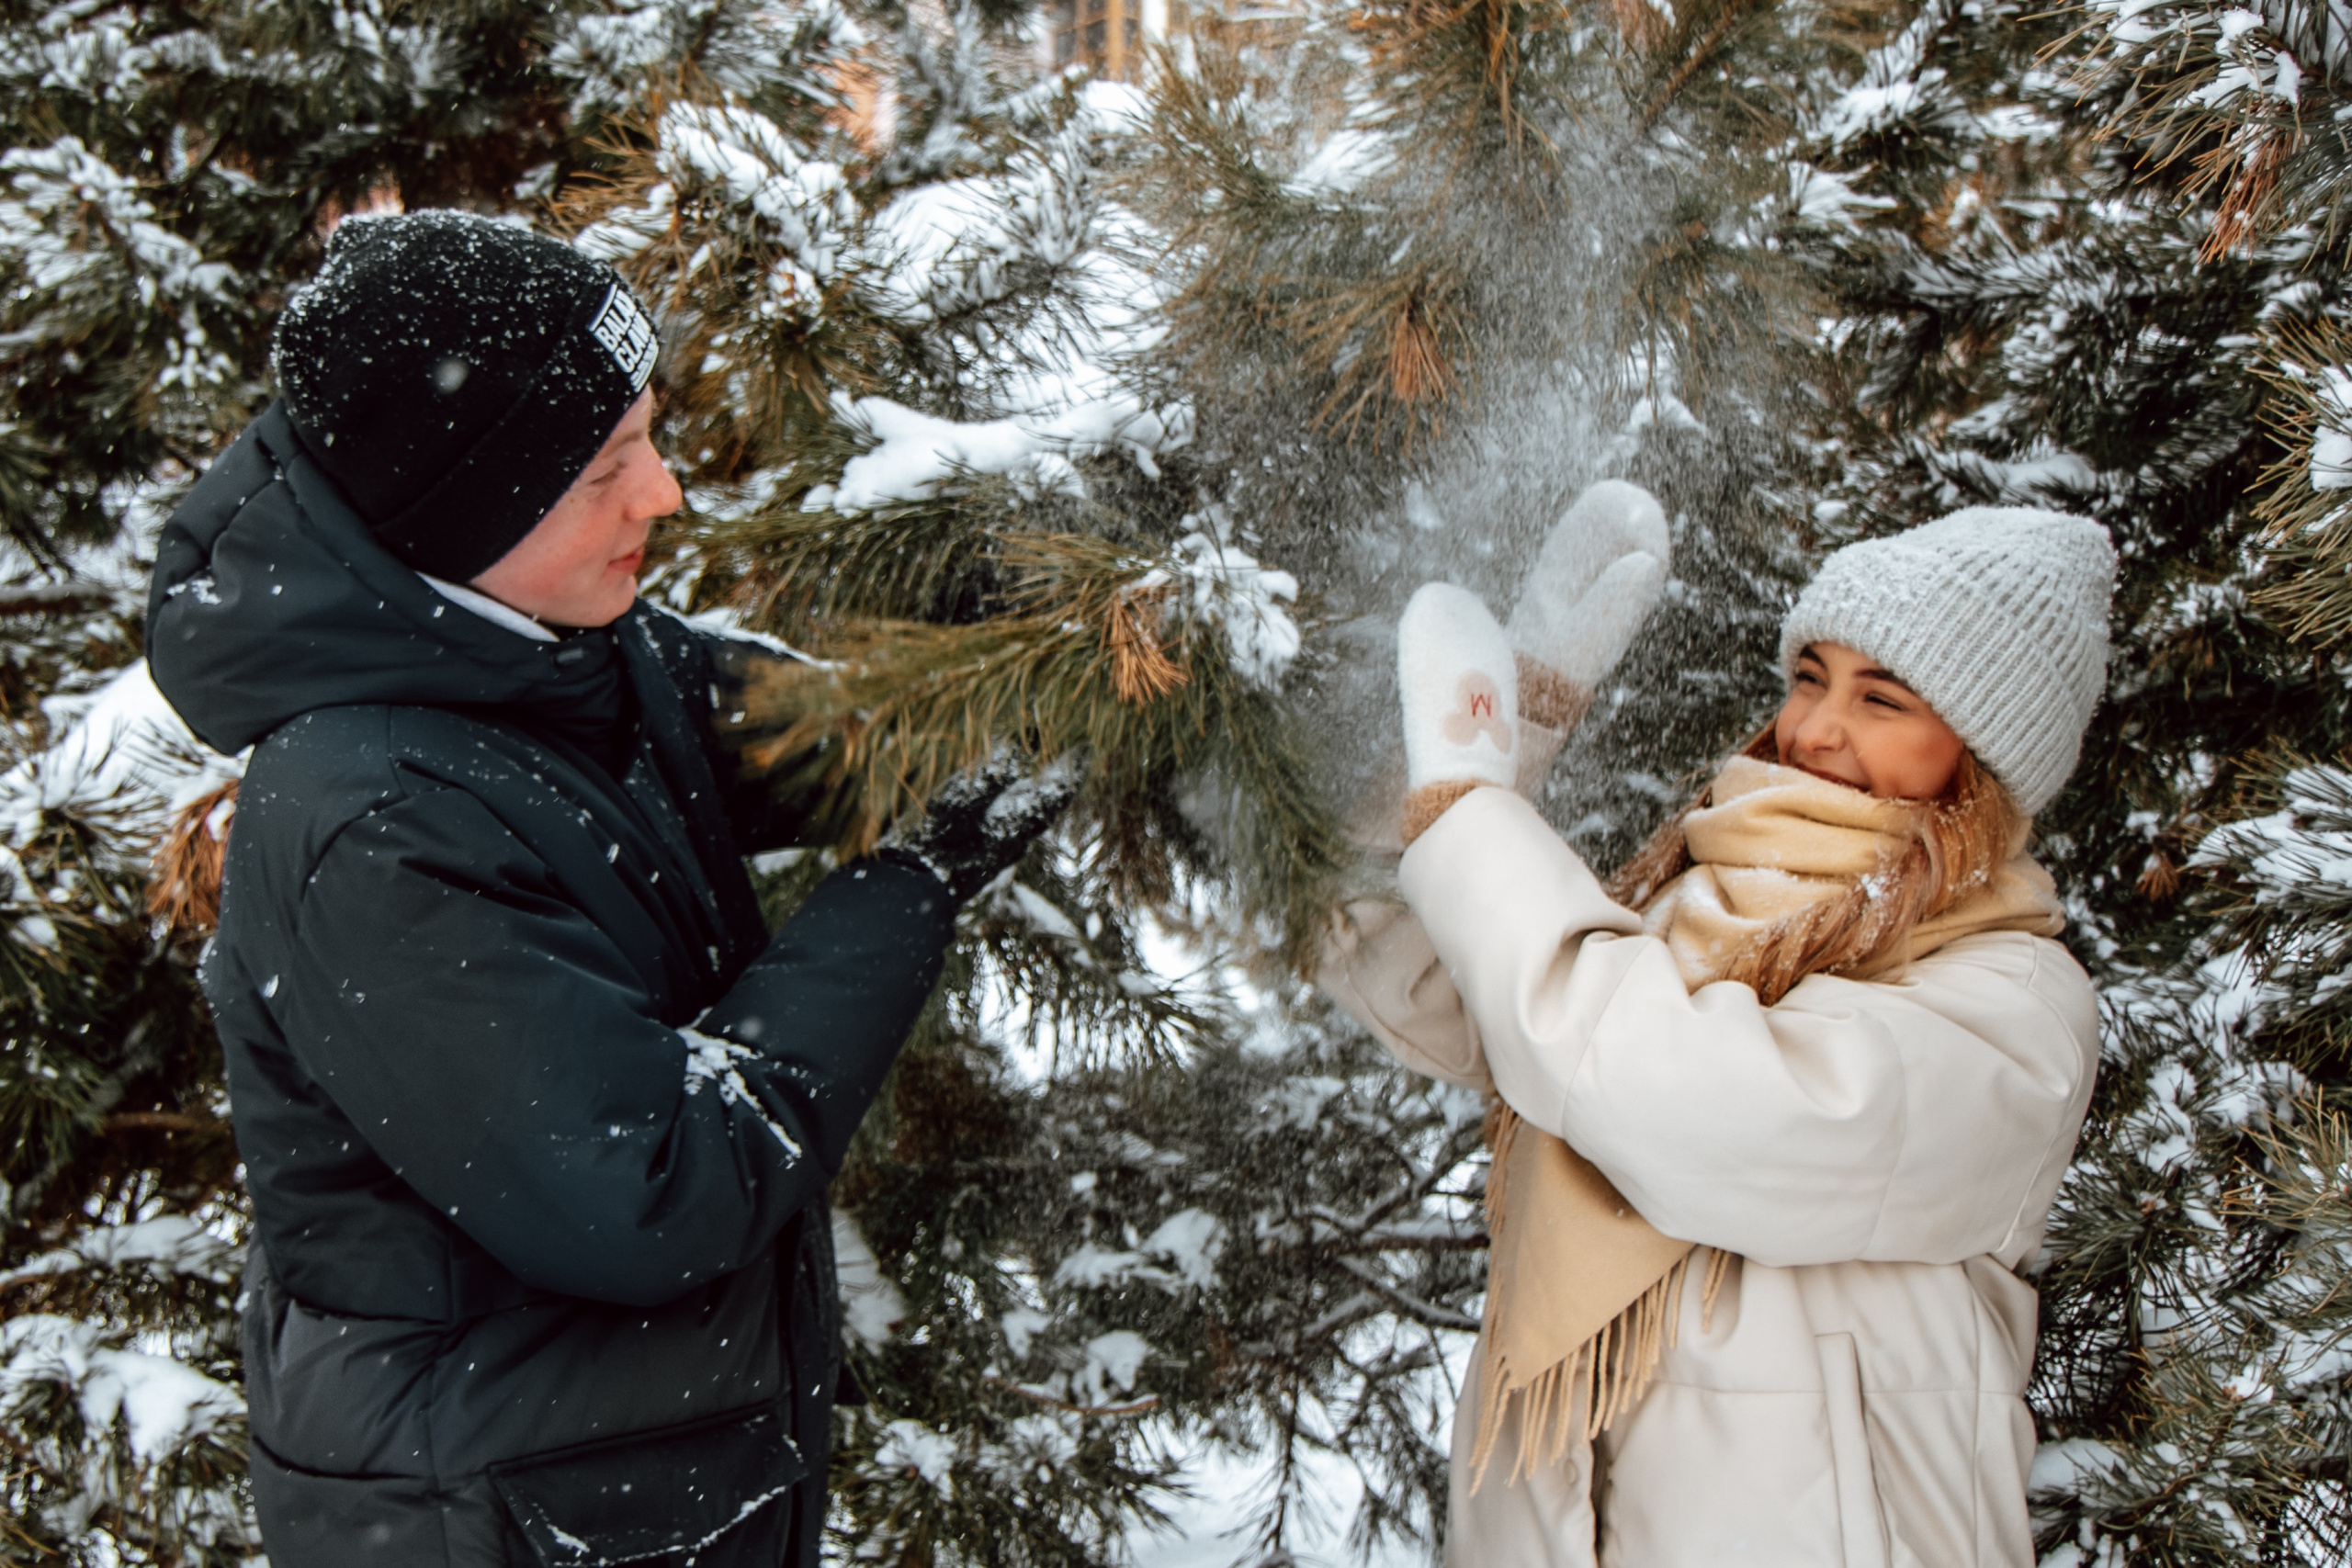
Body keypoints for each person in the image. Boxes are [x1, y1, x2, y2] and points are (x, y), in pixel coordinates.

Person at [145, 210, 1062, 1568]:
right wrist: (908, 886)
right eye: (606, 467)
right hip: (489, 1515)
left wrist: (1004, 650)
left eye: (650, 434)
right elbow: (652, 1182)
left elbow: (795, 732)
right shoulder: (369, 819)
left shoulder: (546, 640)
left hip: (618, 1483)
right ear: (467, 509)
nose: (665, 492)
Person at [1319, 504, 2114, 1565]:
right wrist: (1509, 733)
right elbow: (1418, 961)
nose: (1814, 729)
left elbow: (1674, 1099)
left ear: (1981, 756)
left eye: (1880, 699)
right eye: (1808, 678)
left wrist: (1474, 816)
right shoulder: (1689, 917)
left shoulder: (2009, 1004)